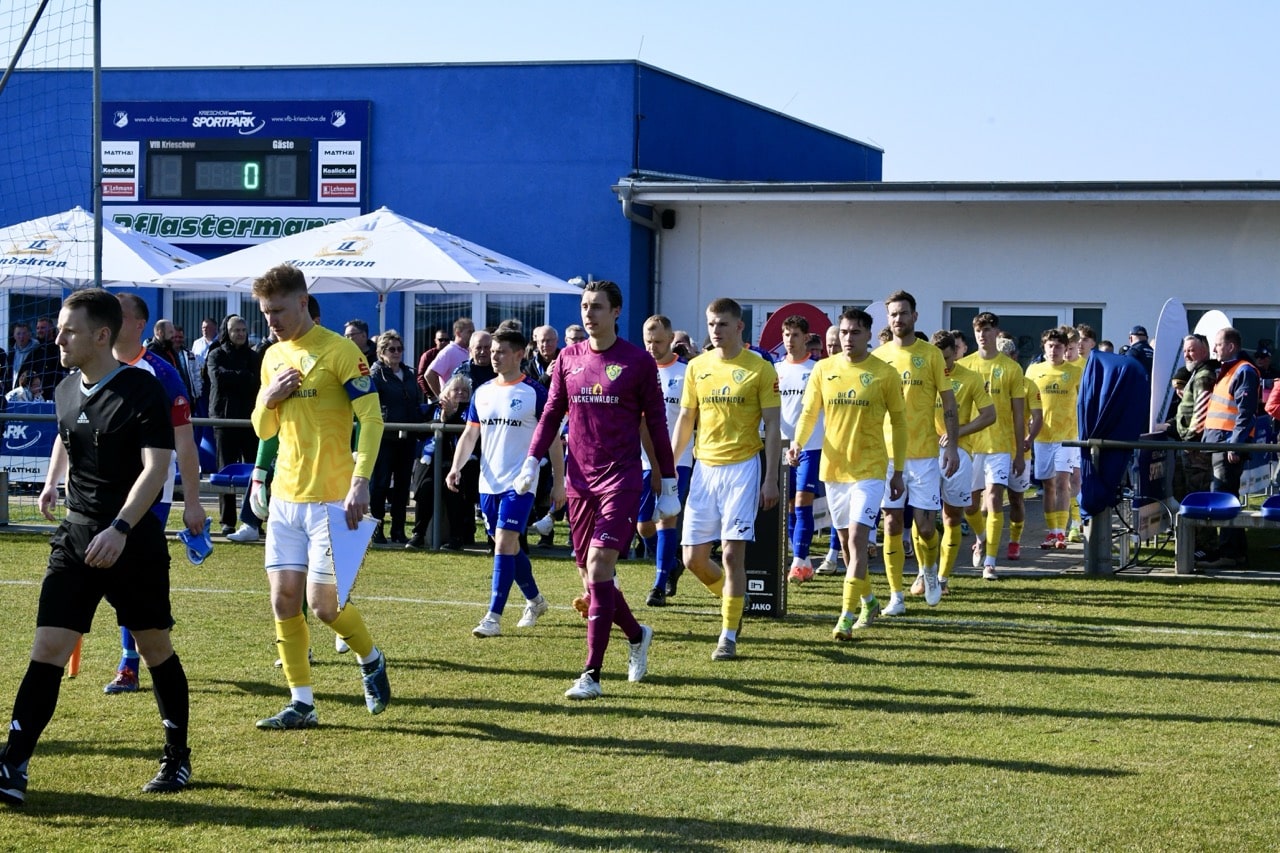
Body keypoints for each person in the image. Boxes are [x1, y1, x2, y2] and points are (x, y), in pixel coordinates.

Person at [1, 289, 195, 806]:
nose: (58, 338)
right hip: (75, 536)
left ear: (102, 335)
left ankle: (176, 756)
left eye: (69, 330)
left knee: (155, 649)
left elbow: (158, 470)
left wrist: (121, 528)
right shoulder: (65, 388)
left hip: (131, 541)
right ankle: (13, 764)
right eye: (60, 330)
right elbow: (69, 434)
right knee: (47, 650)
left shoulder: (143, 390)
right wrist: (50, 482)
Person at [516, 279, 678, 699]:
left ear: (616, 312)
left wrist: (670, 480)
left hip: (622, 478)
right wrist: (533, 461)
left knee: (601, 563)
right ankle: (637, 633)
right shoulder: (568, 358)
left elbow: (657, 424)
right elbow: (552, 412)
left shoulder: (637, 362)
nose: (589, 313)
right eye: (585, 306)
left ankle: (591, 673)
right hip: (579, 481)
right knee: (590, 576)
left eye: (598, 307)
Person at [249, 263, 390, 729]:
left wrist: (360, 479)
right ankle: (301, 702)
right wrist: (269, 398)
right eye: (265, 312)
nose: (272, 320)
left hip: (332, 499)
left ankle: (371, 658)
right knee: (282, 600)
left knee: (324, 605)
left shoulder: (341, 351)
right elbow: (263, 427)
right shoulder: (271, 357)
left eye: (279, 310)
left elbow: (371, 419)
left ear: (303, 302)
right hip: (285, 498)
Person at [102, 293, 208, 695]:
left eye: (119, 316)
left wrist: (193, 502)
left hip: (151, 493)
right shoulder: (96, 367)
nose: (109, 322)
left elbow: (185, 444)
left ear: (138, 324)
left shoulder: (161, 374)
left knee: (129, 573)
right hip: (103, 490)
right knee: (111, 575)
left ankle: (129, 662)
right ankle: (150, 625)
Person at [671, 297, 781, 661]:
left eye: (722, 324)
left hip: (742, 469)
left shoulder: (760, 368)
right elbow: (686, 420)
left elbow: (774, 426)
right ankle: (734, 598)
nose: (715, 331)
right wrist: (670, 469)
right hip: (704, 469)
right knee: (693, 561)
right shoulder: (697, 367)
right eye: (710, 324)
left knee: (733, 553)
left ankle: (728, 636)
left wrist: (771, 480)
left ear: (739, 327)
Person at [790, 308, 905, 638]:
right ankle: (868, 600)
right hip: (834, 469)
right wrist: (797, 443)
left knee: (856, 540)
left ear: (869, 335)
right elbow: (810, 412)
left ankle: (845, 616)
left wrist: (897, 470)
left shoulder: (884, 373)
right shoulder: (824, 369)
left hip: (870, 470)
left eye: (855, 332)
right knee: (845, 545)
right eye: (843, 332)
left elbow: (898, 422)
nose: (848, 338)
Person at [447, 328, 565, 636]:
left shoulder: (535, 392)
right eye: (492, 351)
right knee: (509, 548)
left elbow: (553, 440)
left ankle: (493, 617)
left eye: (500, 351)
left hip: (521, 483)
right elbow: (471, 433)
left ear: (519, 354)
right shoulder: (482, 391)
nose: (492, 356)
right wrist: (456, 467)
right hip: (488, 484)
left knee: (505, 542)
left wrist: (558, 482)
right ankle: (536, 600)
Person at [869, 290, 959, 615]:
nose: (898, 319)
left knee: (924, 527)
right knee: (891, 523)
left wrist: (953, 445)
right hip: (888, 455)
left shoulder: (932, 356)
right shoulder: (878, 358)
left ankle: (929, 572)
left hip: (924, 455)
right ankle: (896, 595)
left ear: (915, 316)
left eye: (903, 313)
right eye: (893, 314)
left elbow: (948, 401)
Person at [921, 330, 993, 592]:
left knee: (953, 515)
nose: (943, 364)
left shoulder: (970, 378)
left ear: (956, 352)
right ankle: (924, 574)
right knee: (924, 516)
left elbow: (989, 415)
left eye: (948, 358)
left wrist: (956, 433)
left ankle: (942, 578)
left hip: (960, 451)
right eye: (938, 359)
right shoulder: (923, 377)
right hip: (924, 453)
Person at [959, 312, 1026, 580]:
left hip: (999, 445)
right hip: (970, 447)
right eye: (978, 330)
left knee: (996, 500)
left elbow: (1019, 414)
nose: (982, 334)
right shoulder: (964, 366)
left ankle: (990, 562)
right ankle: (981, 536)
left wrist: (1019, 452)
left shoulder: (1011, 368)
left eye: (987, 329)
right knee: (971, 506)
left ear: (996, 332)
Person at [634, 314, 693, 606]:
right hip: (643, 461)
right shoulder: (638, 373)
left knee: (666, 520)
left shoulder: (686, 373)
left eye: (658, 341)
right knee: (644, 526)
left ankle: (658, 586)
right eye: (647, 341)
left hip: (678, 461)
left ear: (671, 340)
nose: (652, 347)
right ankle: (671, 564)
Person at [1201, 327, 1260, 568]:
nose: (1214, 348)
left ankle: (1230, 553)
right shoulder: (1229, 371)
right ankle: (1233, 551)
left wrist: (1234, 445)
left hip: (1227, 445)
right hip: (1221, 443)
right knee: (1225, 496)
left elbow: (1244, 414)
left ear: (1231, 346)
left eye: (1217, 344)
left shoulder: (1243, 371)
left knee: (1224, 497)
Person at [775, 315, 824, 586]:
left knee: (804, 502)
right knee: (790, 506)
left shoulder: (817, 370)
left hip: (812, 446)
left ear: (806, 338)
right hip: (783, 445)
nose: (789, 340)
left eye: (795, 335)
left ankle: (798, 561)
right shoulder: (775, 369)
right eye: (786, 335)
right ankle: (803, 561)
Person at [206, 315, 264, 540]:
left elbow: (258, 381)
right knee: (225, 469)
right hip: (224, 419)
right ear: (227, 332)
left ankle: (253, 521)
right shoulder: (216, 354)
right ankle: (227, 522)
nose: (240, 334)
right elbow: (218, 379)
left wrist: (240, 379)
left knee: (254, 472)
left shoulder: (253, 356)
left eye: (243, 329)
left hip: (250, 420)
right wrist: (244, 378)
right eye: (235, 330)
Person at [1025, 328, 1082, 549]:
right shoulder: (1033, 371)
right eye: (1050, 346)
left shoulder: (1075, 372)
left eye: (1058, 346)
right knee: (1048, 485)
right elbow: (1026, 401)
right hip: (1042, 437)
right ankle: (1051, 532)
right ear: (1044, 348)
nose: (1054, 350)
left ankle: (1061, 532)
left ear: (1064, 348)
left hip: (1067, 437)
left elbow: (1084, 402)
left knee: (1062, 482)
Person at [406, 375, 473, 550]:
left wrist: (449, 417)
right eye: (456, 390)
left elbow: (466, 431)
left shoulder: (473, 411)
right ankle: (418, 534)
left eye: (464, 391)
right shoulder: (432, 409)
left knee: (454, 492)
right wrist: (442, 419)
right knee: (427, 488)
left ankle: (456, 538)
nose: (460, 393)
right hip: (431, 464)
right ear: (446, 393)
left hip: (460, 465)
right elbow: (420, 429)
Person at [369, 330, 422, 545]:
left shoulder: (409, 374)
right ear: (381, 352)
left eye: (400, 349)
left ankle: (398, 530)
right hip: (384, 436)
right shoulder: (375, 375)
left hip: (406, 437)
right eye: (392, 349)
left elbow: (415, 401)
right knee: (380, 483)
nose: (397, 353)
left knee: (402, 486)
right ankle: (376, 528)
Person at [1172, 334, 1217, 562]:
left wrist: (1190, 440)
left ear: (1205, 351)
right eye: (1185, 350)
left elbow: (1201, 413)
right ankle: (1198, 544)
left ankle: (1206, 548)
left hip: (1196, 449)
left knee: (1198, 497)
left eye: (1192, 350)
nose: (1187, 354)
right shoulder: (1196, 374)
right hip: (1191, 446)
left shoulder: (1203, 376)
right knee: (1190, 494)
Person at [425, 318, 475, 397]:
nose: (473, 335)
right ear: (458, 333)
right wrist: (441, 397)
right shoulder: (449, 351)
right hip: (454, 404)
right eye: (469, 332)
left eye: (473, 331)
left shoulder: (470, 351)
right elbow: (429, 374)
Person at [415, 328, 450, 399]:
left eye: (446, 340)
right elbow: (421, 377)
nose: (444, 342)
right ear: (435, 341)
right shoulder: (428, 356)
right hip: (434, 396)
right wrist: (430, 395)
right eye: (440, 340)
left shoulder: (452, 354)